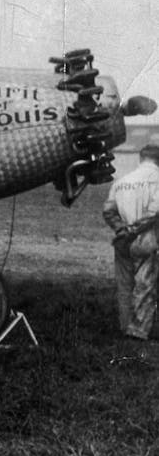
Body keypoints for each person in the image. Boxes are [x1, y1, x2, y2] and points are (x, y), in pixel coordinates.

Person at [103, 144, 159, 340]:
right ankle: (138, 332)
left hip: (122, 240)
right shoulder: (157, 180)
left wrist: (121, 229)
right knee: (145, 285)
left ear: (141, 159)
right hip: (146, 239)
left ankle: (124, 326)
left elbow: (108, 211)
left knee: (125, 285)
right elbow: (153, 213)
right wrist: (134, 230)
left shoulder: (122, 180)